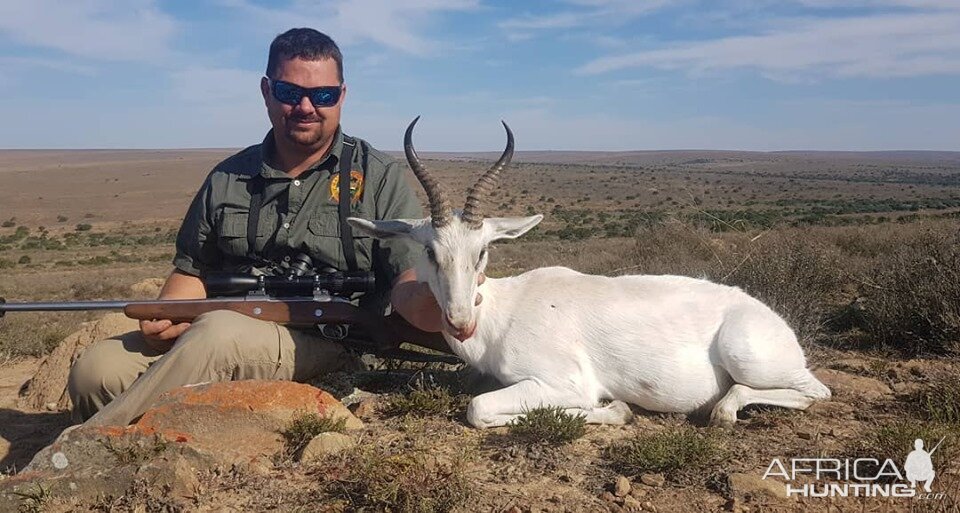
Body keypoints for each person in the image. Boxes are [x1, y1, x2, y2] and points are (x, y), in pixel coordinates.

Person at [67, 28, 444, 427]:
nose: (305, 106)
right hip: (222, 329)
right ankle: (164, 437)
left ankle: (86, 447)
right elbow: (192, 270)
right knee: (97, 371)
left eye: (323, 95)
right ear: (266, 91)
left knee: (217, 334)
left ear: (342, 96)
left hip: (331, 343)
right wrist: (166, 317)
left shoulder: (377, 176)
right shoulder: (228, 177)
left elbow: (409, 276)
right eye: (288, 92)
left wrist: (443, 297)